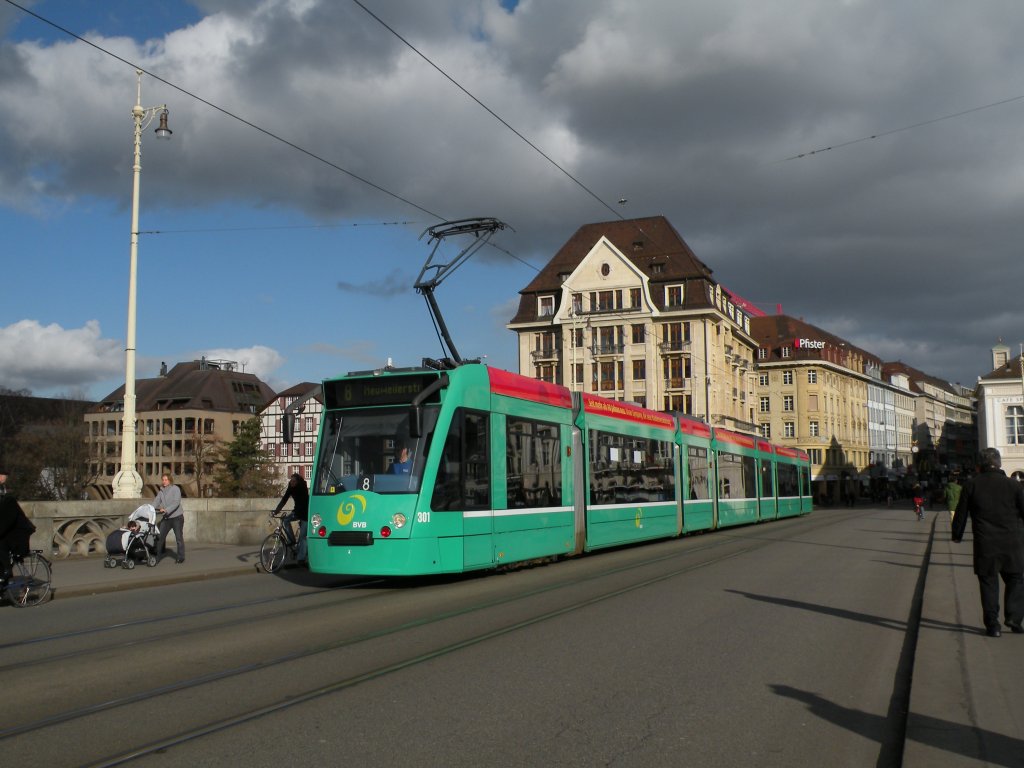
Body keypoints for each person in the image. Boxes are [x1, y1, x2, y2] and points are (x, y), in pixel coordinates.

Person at [952, 448, 1024, 638]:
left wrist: (957, 534)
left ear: (979, 466)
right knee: (1016, 579)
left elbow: (961, 513)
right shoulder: (1014, 485)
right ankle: (1014, 619)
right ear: (999, 464)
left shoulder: (971, 485)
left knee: (988, 583)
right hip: (1012, 542)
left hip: (985, 544)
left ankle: (993, 625)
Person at [0, 469, 36, 581]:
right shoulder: (4, 492)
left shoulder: (8, 498)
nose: (4, 477)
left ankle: (6, 571)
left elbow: (7, 520)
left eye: (4, 475)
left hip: (17, 533)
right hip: (9, 528)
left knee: (1, 545)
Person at [275, 472, 309, 563]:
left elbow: (304, 502)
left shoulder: (302, 487)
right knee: (285, 521)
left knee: (302, 536)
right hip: (297, 511)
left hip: (305, 513)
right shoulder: (290, 487)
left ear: (298, 482)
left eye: (294, 481)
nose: (292, 483)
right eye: (291, 481)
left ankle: (301, 558)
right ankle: (292, 540)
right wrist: (276, 511)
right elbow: (284, 499)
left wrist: (296, 513)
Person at [154, 473, 185, 564]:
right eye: (163, 480)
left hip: (177, 517)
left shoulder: (175, 489)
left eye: (166, 480)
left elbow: (176, 502)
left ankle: (180, 557)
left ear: (170, 480)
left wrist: (166, 510)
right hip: (167, 518)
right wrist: (150, 508)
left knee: (179, 538)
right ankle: (157, 557)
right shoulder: (161, 491)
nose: (164, 481)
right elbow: (156, 501)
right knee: (160, 537)